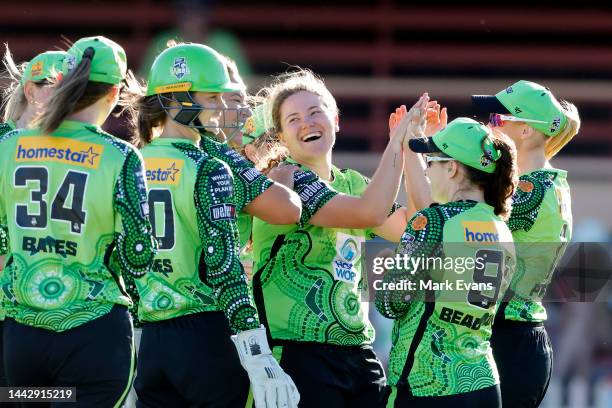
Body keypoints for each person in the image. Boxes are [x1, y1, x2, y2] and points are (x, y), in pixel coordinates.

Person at [127, 42, 299, 408]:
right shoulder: (208, 165)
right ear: (178, 98)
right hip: (207, 332)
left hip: (151, 337)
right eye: (211, 96)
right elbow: (226, 266)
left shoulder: (131, 160)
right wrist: (256, 350)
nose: (222, 107)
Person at [0, 35, 156, 407]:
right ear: (115, 91)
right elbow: (139, 255)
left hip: (22, 339)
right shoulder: (121, 156)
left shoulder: (8, 146)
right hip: (94, 336)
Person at [250, 69, 415, 407]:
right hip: (296, 350)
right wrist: (396, 146)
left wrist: (414, 153)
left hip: (356, 350)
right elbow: (368, 213)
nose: (307, 122)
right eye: (293, 119)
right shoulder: (282, 180)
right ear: (281, 136)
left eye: (315, 112)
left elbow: (412, 231)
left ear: (336, 120)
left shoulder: (353, 183)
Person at [376, 98, 518, 407]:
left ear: (452, 168)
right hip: (482, 382)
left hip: (429, 387)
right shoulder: (501, 226)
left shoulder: (434, 222)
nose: (428, 170)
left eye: (432, 163)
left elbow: (389, 303)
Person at [471, 80, 580, 407]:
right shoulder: (551, 184)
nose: (488, 126)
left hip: (508, 342)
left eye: (497, 119)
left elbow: (451, 224)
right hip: (521, 339)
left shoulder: (528, 193)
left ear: (527, 132)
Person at [0, 46, 67, 389]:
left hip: (55, 315)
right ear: (30, 91)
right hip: (10, 315)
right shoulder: (3, 145)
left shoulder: (72, 153)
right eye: (61, 88)